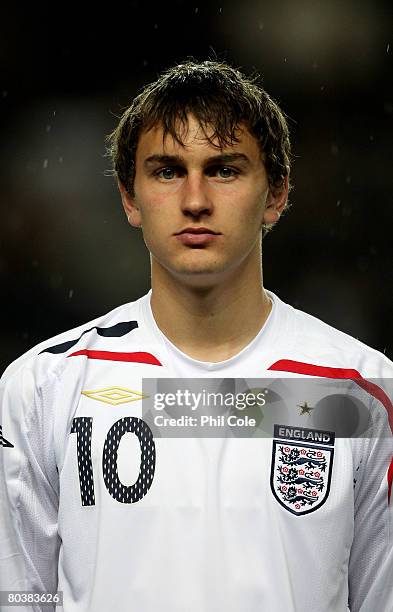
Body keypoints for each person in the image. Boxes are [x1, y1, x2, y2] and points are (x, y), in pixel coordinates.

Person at [0, 60, 392, 612]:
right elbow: (19, 597)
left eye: (225, 169)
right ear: (129, 198)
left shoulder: (361, 391)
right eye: (166, 171)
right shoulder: (44, 387)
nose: (195, 199)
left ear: (277, 194)